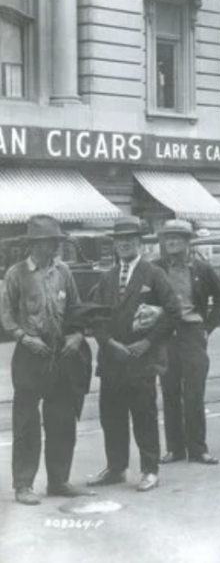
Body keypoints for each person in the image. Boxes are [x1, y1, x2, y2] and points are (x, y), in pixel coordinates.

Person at [0, 215, 91, 505]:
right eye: (47, 242)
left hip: (60, 354)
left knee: (62, 419)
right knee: (26, 421)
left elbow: (76, 311)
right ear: (34, 244)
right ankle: (23, 485)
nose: (51, 247)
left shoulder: (64, 272)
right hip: (29, 355)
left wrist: (77, 336)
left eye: (54, 242)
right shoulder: (16, 274)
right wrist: (24, 338)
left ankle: (59, 480)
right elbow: (6, 315)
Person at [87, 216, 180, 494]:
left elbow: (173, 313)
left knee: (144, 415)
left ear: (139, 242)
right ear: (114, 245)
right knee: (111, 416)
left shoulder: (154, 274)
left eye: (129, 239)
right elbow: (96, 316)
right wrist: (108, 342)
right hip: (112, 360)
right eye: (119, 240)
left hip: (142, 360)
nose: (124, 244)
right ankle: (116, 468)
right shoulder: (107, 277)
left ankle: (150, 470)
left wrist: (148, 343)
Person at [154, 219, 220, 466]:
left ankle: (198, 449)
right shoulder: (157, 268)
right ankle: (175, 449)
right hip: (165, 334)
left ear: (187, 242)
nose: (171, 242)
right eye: (168, 238)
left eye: (177, 238)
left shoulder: (201, 269)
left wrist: (207, 328)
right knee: (169, 391)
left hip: (193, 332)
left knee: (194, 393)